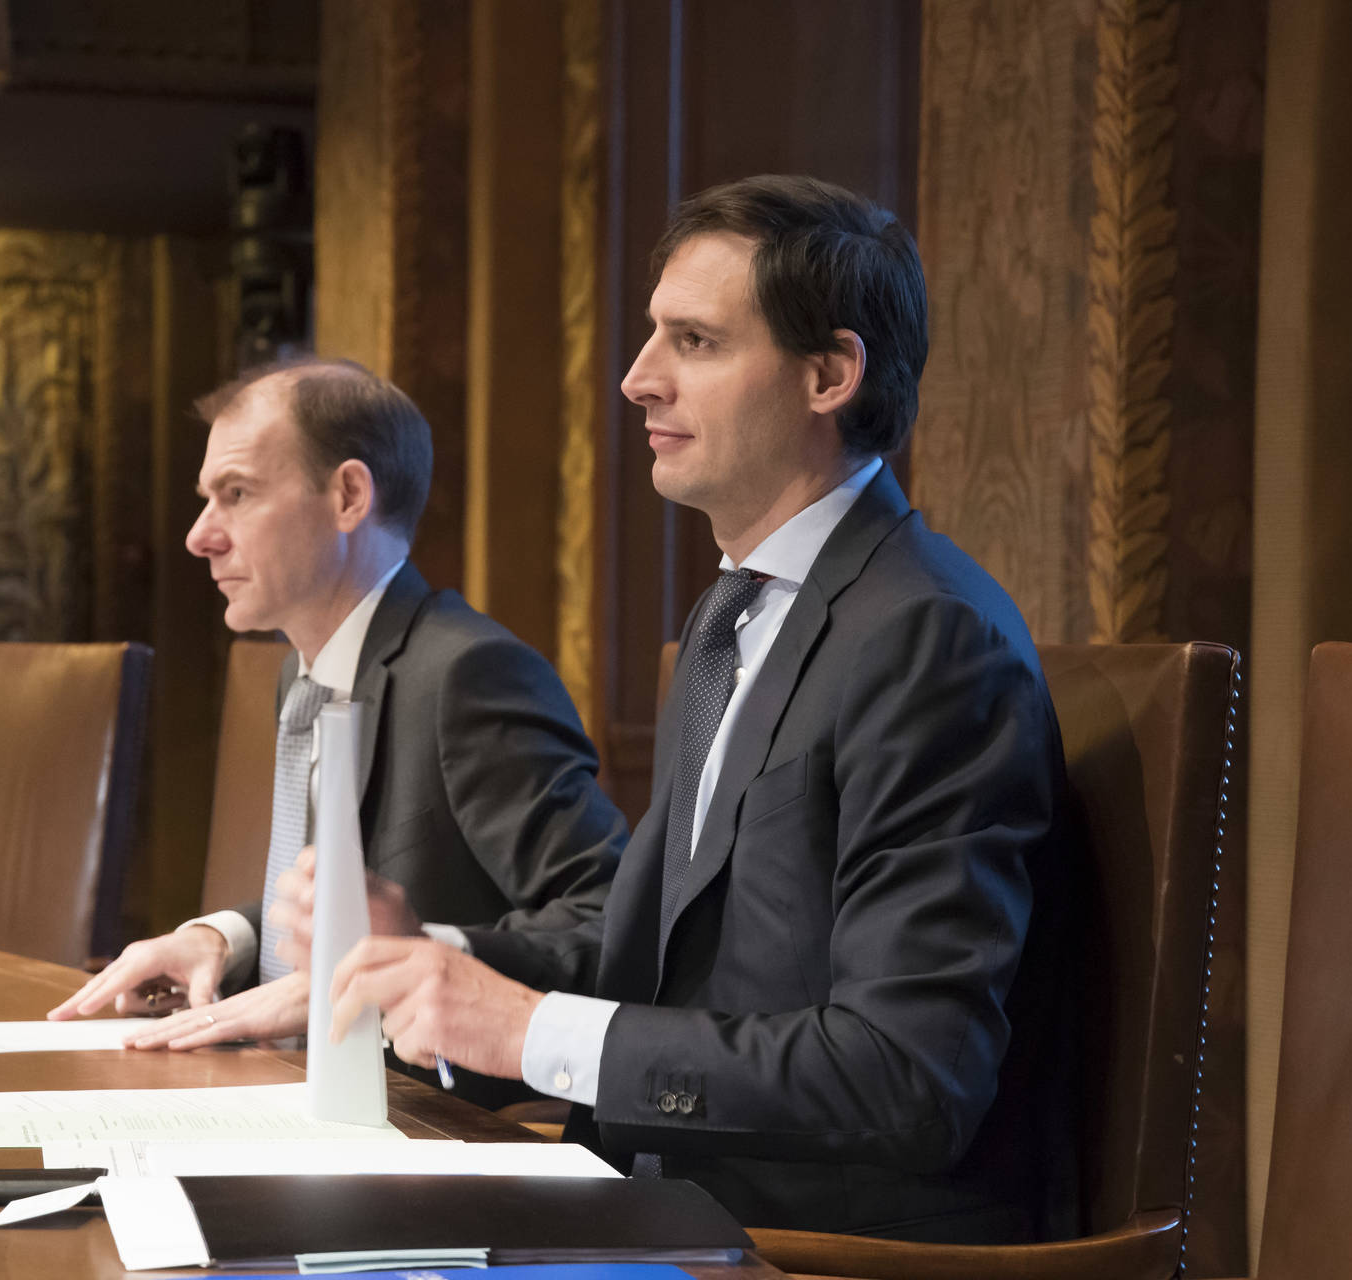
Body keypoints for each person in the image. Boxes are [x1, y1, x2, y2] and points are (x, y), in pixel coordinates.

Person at [316, 176, 1076, 1240]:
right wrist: (425, 962)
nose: (637, 379)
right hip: (664, 1208)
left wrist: (535, 1032)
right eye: (652, 335)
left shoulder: (929, 637)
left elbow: (909, 1073)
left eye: (696, 342)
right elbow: (668, 970)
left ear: (829, 374)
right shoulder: (735, 616)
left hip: (813, 1249)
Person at [48, 359, 626, 1103]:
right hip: (296, 1093)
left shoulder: (468, 674)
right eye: (206, 500)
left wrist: (407, 960)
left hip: (429, 1117)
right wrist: (223, 937)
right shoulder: (302, 674)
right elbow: (356, 903)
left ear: (349, 495)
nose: (199, 537)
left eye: (236, 494)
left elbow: (611, 920)